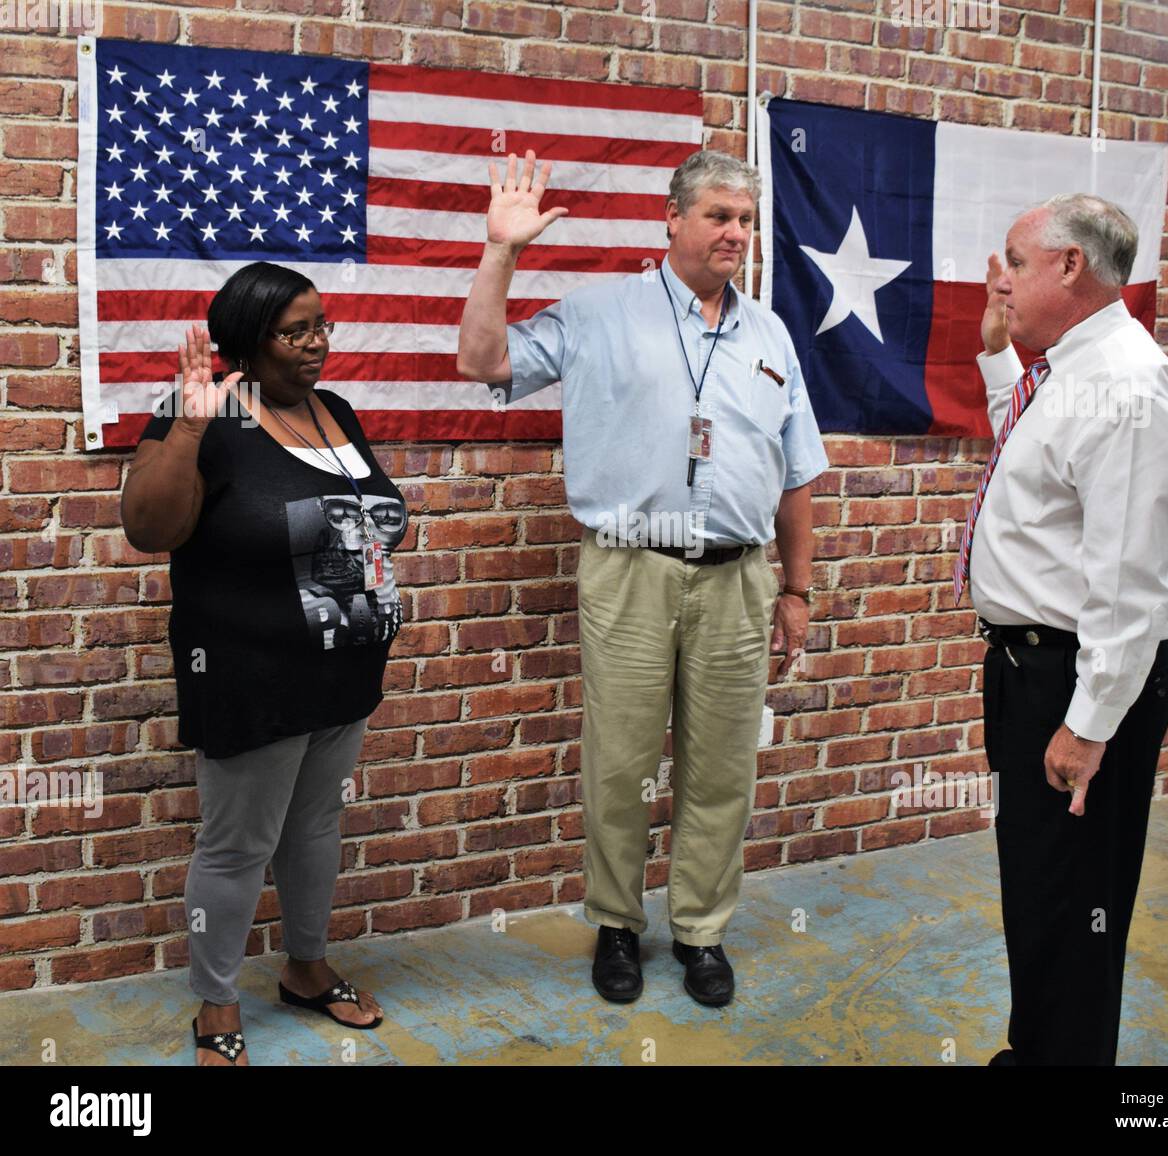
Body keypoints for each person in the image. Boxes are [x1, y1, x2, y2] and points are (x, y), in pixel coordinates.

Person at [458, 149, 828, 1007]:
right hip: (631, 570)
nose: (736, 233)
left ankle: (701, 931)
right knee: (621, 764)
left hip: (740, 578)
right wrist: (500, 252)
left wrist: (799, 589)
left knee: (723, 766)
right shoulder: (599, 315)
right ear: (673, 220)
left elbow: (797, 471)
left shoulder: (769, 334)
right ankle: (617, 924)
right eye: (719, 217)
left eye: (746, 219)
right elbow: (481, 362)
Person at [121, 261, 406, 1064]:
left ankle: (308, 971)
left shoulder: (335, 411)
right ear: (249, 340)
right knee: (236, 845)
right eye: (296, 331)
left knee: (315, 826)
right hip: (248, 673)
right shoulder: (201, 412)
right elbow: (149, 527)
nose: (317, 344)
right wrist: (184, 431)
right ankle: (215, 1002)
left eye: (322, 326)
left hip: (342, 670)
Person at [955, 194, 1168, 1065]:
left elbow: (1130, 584)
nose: (1004, 278)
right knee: (1041, 887)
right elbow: (1035, 467)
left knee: (1077, 901)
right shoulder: (1071, 371)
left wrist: (1090, 722)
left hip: (1081, 679)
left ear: (1070, 266)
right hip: (1041, 674)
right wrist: (996, 359)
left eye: (1017, 261)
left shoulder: (1125, 387)